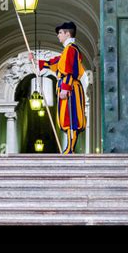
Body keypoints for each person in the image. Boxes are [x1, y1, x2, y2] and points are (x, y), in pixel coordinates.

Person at [31, 21, 86, 155]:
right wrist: (37, 61)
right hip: (68, 86)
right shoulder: (67, 50)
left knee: (71, 118)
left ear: (68, 33)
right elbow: (55, 63)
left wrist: (65, 88)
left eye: (60, 33)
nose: (58, 36)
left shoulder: (71, 49)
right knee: (67, 118)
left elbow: (68, 70)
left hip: (70, 88)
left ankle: (70, 148)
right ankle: (69, 147)